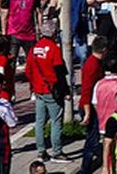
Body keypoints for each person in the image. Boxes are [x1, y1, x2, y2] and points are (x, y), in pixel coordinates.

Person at [27, 22, 69, 162]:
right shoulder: (54, 49)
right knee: (56, 120)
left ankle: (41, 151)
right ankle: (57, 151)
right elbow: (59, 72)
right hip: (52, 89)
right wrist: (66, 91)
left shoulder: (34, 49)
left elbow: (28, 70)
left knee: (39, 121)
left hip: (39, 90)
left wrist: (33, 85)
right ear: (53, 33)